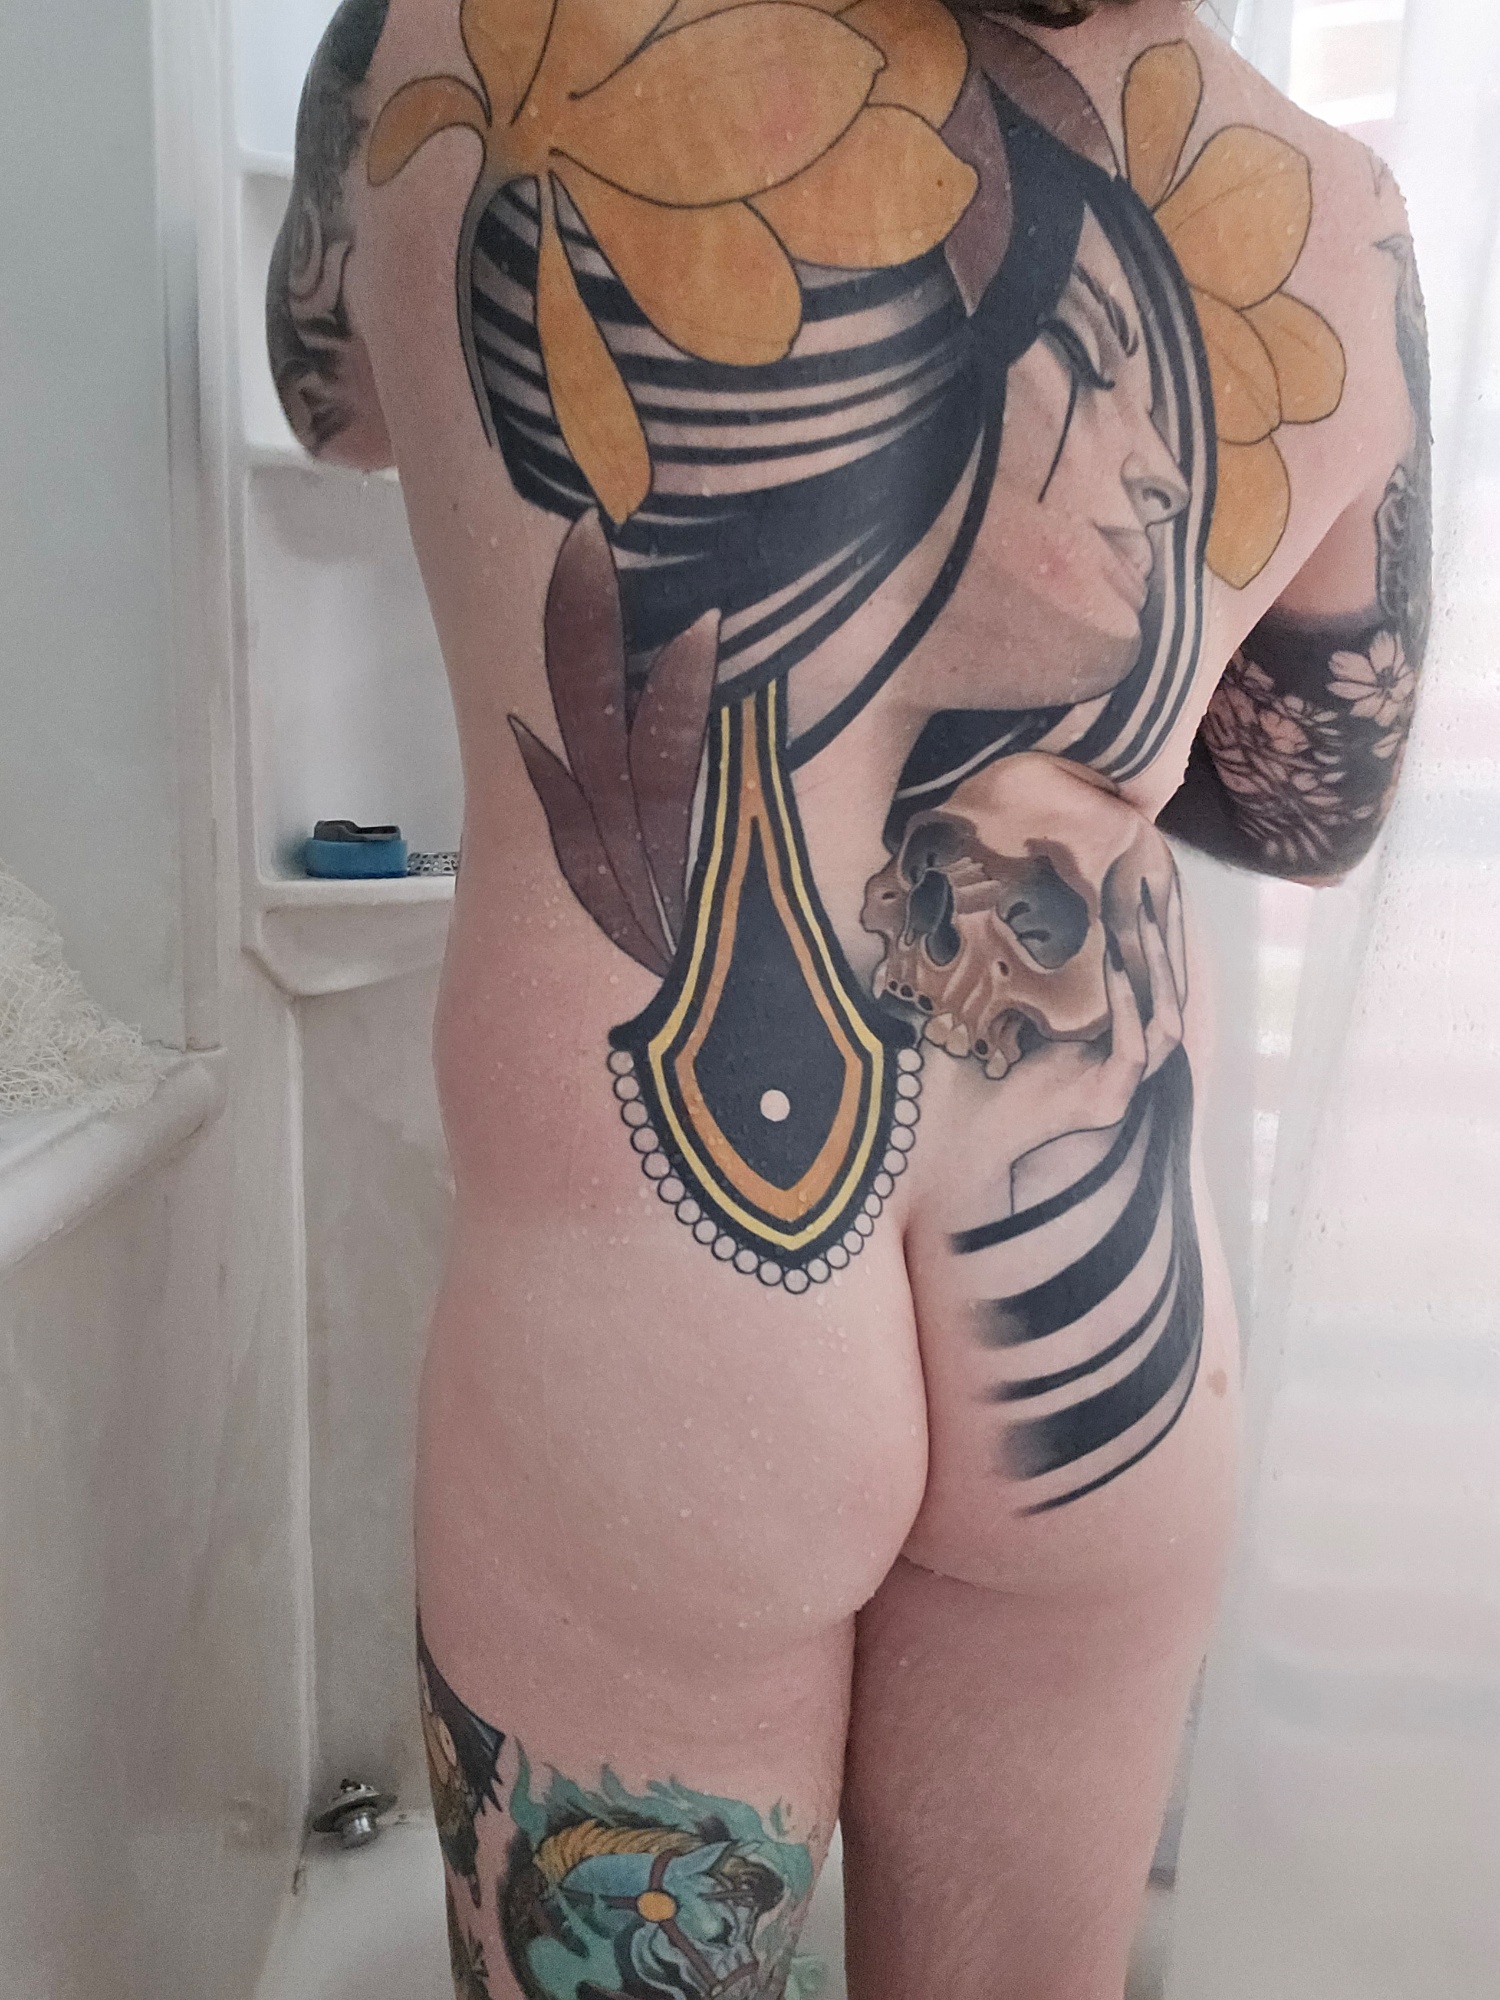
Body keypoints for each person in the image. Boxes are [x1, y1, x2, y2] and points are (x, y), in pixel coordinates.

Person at [269, 0, 1430, 1992]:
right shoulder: (1339, 210)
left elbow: (333, 398)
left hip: (668, 1311)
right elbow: (1321, 796)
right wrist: (1091, 698)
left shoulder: (449, 33)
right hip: (1105, 1309)